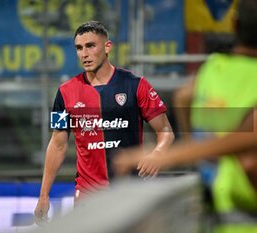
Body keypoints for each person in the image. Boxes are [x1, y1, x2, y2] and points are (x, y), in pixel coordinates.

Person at [113, 0, 257, 231]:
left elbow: (183, 97)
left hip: (216, 212)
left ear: (234, 23)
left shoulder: (213, 68)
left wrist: (189, 147)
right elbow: (249, 155)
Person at [34, 20, 174, 225]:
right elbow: (58, 144)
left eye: (90, 46)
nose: (84, 54)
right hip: (88, 197)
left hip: (131, 192)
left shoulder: (136, 85)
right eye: (79, 48)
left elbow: (166, 131)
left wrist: (158, 154)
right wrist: (44, 195)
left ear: (107, 47)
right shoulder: (65, 92)